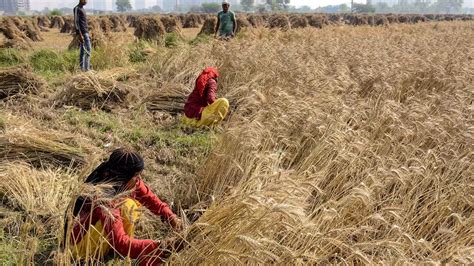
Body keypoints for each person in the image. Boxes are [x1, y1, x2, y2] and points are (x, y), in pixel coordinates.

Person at [64, 148, 183, 265]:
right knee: (128, 207)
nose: (139, 179)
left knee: (127, 205)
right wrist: (161, 246)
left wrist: (171, 217)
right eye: (136, 176)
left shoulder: (115, 175)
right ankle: (90, 257)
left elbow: (151, 200)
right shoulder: (104, 197)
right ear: (125, 178)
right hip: (77, 244)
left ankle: (112, 250)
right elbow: (122, 243)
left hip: (95, 228)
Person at [73, 0, 91, 71]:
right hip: (82, 33)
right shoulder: (77, 8)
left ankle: (82, 69)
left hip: (86, 32)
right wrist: (79, 34)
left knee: (83, 51)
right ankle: (87, 69)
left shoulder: (82, 9)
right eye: (85, 0)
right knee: (88, 49)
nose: (87, 1)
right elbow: (76, 22)